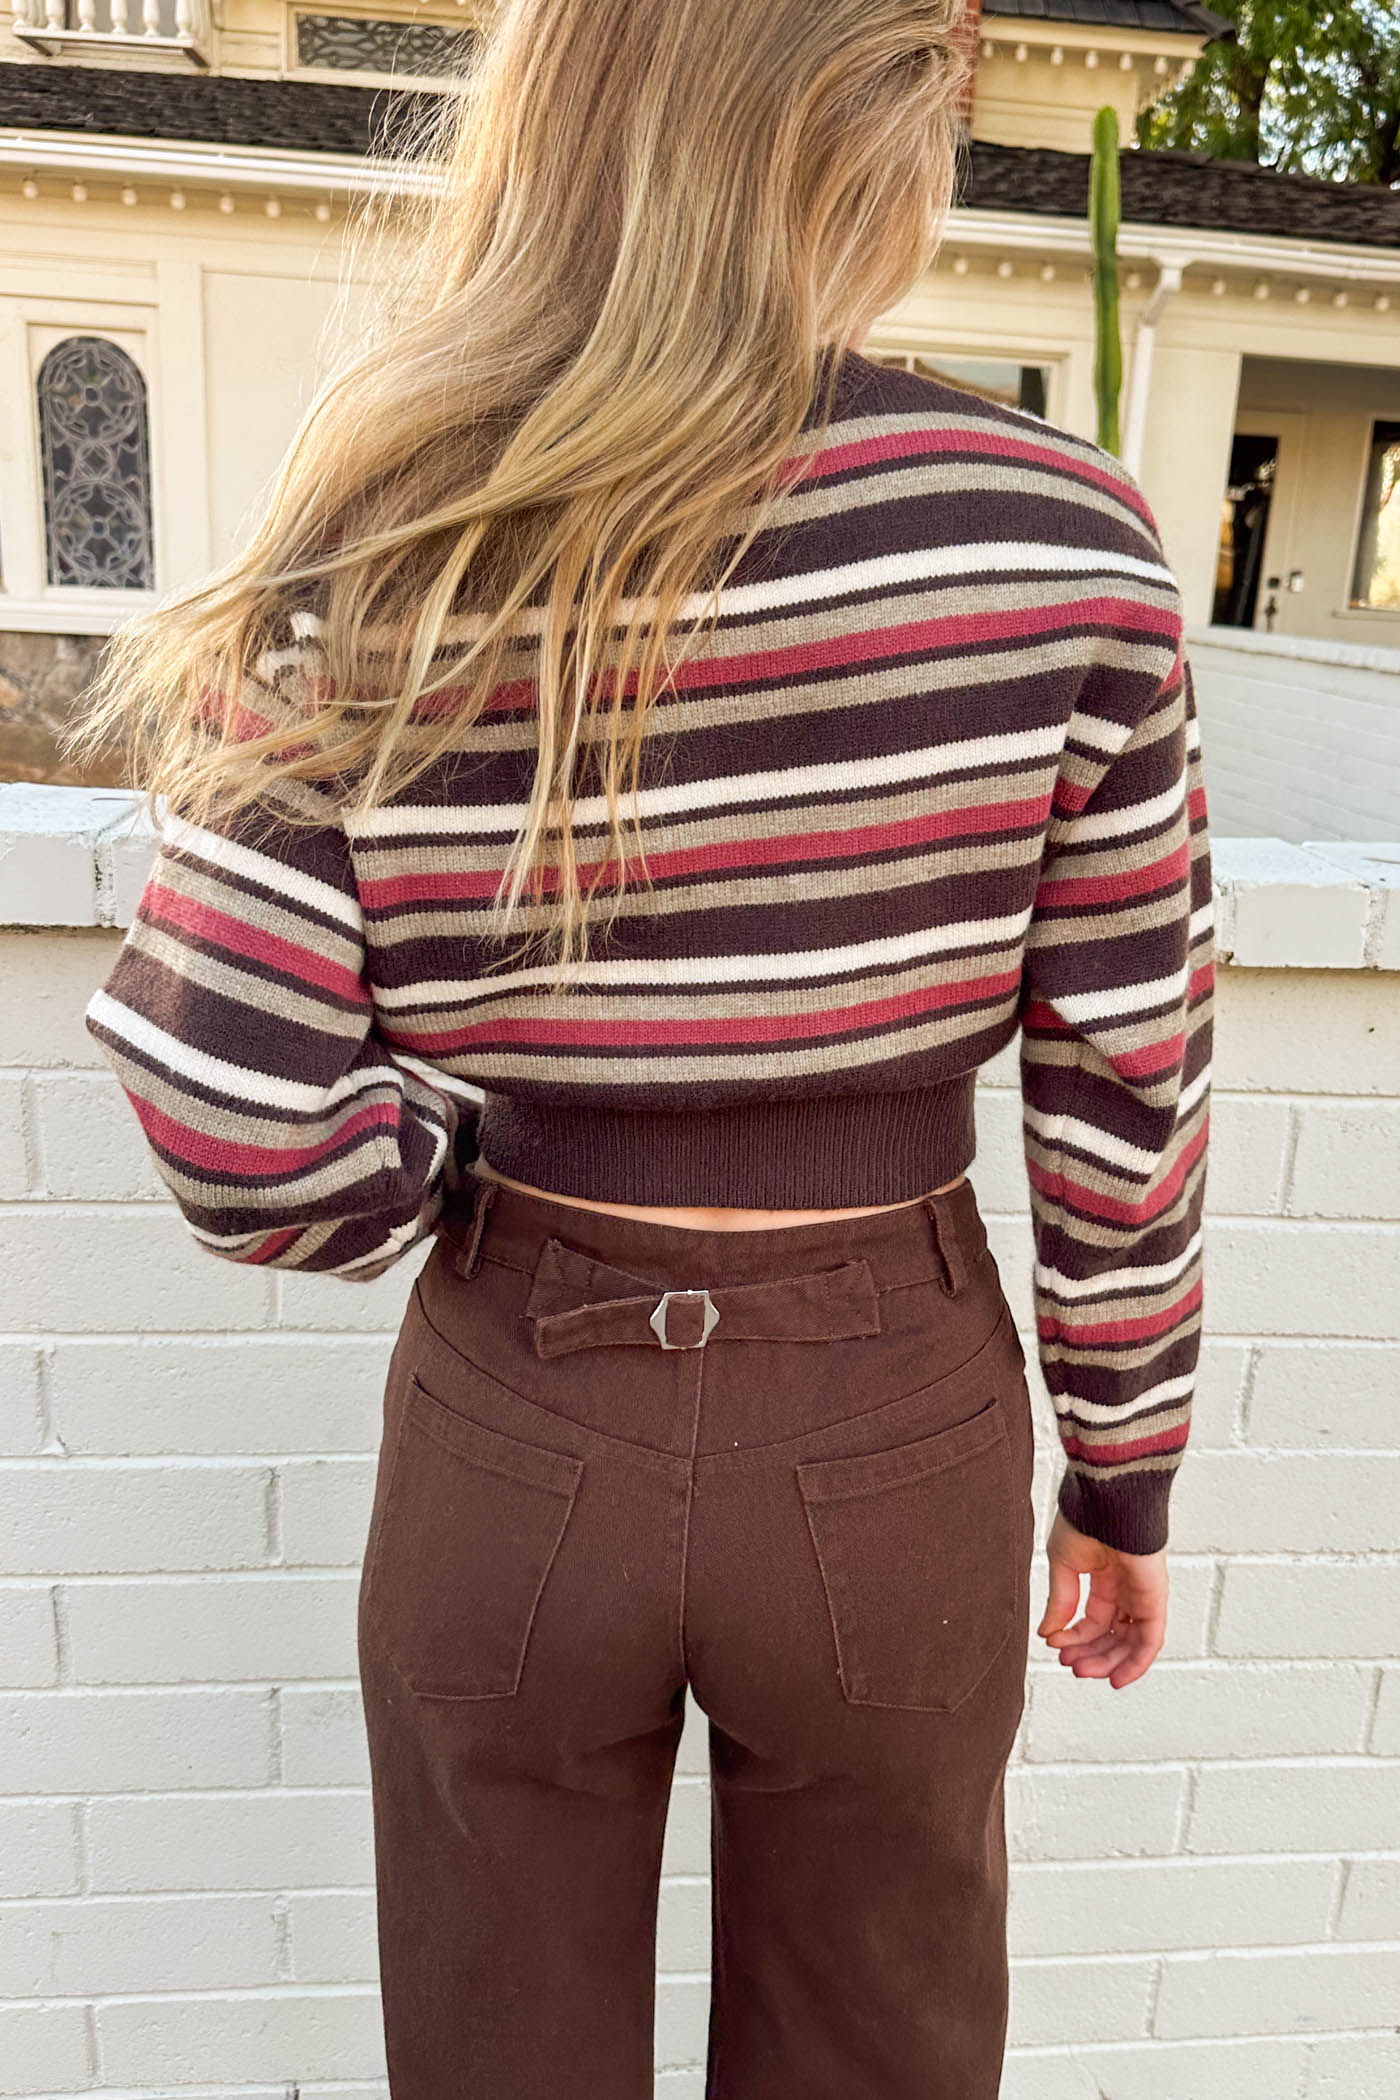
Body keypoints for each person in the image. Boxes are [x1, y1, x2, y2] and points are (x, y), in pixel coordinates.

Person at [69, 2, 1213, 2093]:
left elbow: (234, 1115)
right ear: (873, 129)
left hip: (521, 1419)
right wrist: (1120, 1477)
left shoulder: (390, 530)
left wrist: (466, 1173)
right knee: (882, 2042)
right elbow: (1126, 1075)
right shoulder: (1063, 540)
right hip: (893, 1427)